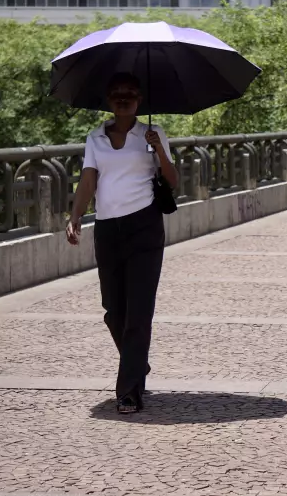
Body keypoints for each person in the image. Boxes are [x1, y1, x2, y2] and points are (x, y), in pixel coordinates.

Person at [66, 72, 178, 414]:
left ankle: (129, 390)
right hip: (107, 229)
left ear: (139, 100)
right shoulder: (95, 137)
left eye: (129, 92)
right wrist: (75, 216)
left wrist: (158, 149)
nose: (123, 97)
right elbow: (88, 180)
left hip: (145, 226)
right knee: (114, 311)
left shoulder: (153, 134)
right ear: (108, 100)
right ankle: (137, 363)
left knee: (138, 312)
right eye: (116, 92)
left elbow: (172, 181)